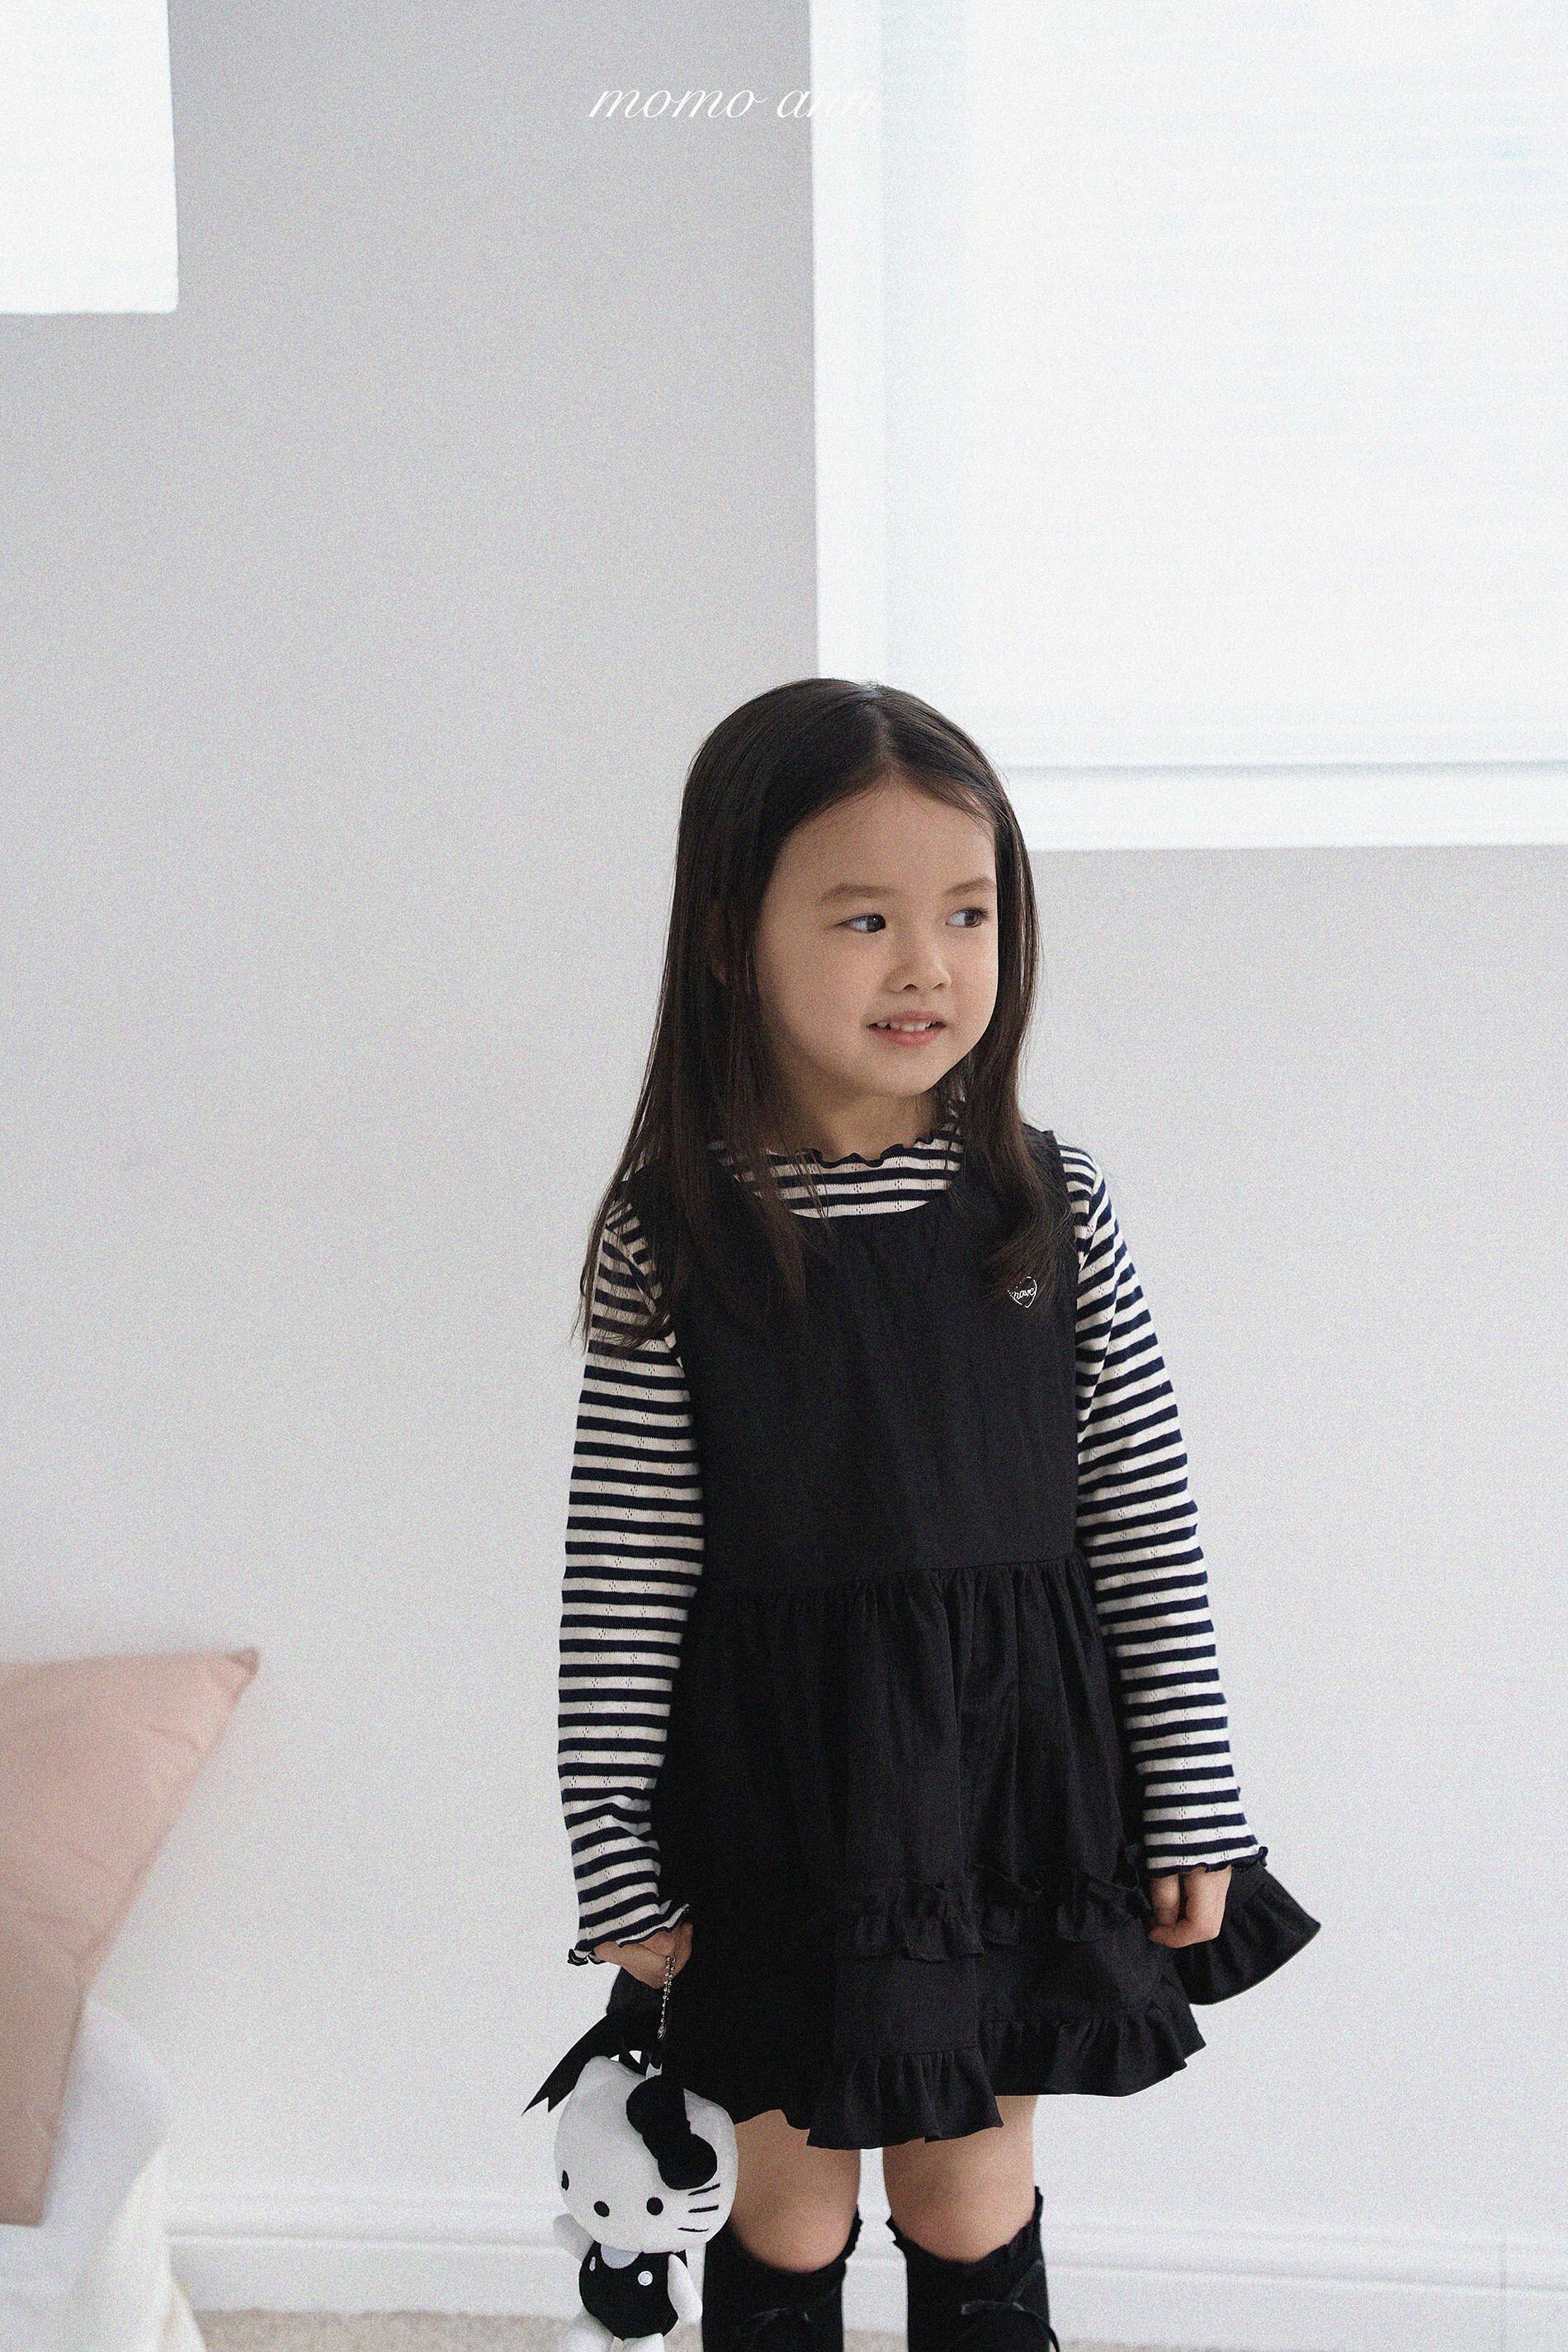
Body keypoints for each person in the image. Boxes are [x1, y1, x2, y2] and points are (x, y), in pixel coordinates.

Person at [554, 678, 1320, 2352]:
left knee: (968, 2188)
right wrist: (609, 1834)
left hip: (1005, 1784)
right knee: (788, 2197)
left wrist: (1193, 1795)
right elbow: (625, 1567)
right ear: (728, 937)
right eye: (865, 919)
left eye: (967, 913)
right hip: (781, 1794)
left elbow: (1143, 1526)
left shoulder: (1047, 1204)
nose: (925, 964)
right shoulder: (674, 1236)